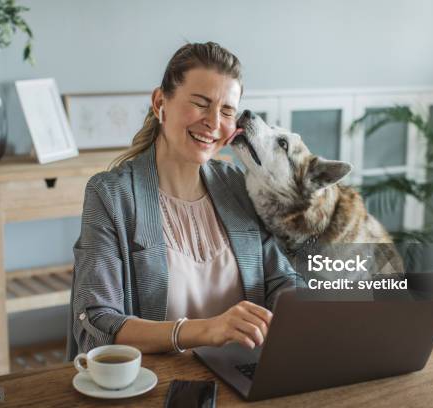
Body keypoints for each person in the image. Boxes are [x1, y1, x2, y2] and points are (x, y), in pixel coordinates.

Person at [66, 42, 304, 360]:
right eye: (201, 104)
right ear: (159, 102)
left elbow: (281, 280)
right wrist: (206, 330)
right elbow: (98, 322)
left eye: (227, 111)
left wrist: (307, 305)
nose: (213, 122)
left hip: (244, 378)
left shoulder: (239, 186)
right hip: (154, 385)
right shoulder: (111, 196)